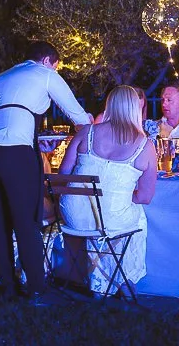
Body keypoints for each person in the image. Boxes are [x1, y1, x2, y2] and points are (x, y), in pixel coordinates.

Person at [0, 40, 93, 302]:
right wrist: (89, 125)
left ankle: (7, 285)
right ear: (48, 61)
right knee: (26, 219)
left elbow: (3, 116)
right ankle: (37, 288)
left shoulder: (2, 76)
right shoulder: (46, 74)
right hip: (14, 149)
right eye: (57, 66)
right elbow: (79, 118)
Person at [57, 84, 156, 296]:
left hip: (74, 215)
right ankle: (126, 281)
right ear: (134, 108)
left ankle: (100, 284)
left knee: (105, 216)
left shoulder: (87, 132)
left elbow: (62, 177)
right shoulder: (145, 145)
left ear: (109, 105)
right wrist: (117, 193)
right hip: (109, 219)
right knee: (136, 218)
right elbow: (145, 197)